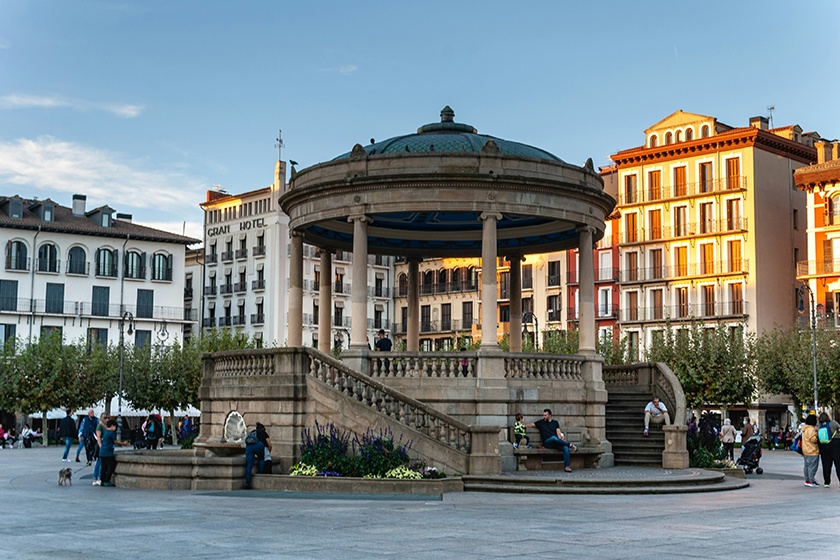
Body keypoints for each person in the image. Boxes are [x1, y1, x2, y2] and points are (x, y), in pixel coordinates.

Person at [99, 419, 130, 487]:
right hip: (108, 453)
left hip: (102, 452)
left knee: (104, 467)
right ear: (112, 426)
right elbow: (115, 441)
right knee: (111, 465)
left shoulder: (106, 432)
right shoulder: (111, 433)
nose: (115, 429)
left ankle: (102, 480)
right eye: (115, 427)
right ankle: (107, 480)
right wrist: (123, 443)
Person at [244, 422, 271, 488]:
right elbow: (269, 444)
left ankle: (247, 482)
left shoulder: (253, 432)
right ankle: (260, 476)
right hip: (259, 445)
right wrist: (269, 451)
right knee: (261, 459)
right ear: (263, 428)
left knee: (249, 464)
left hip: (249, 446)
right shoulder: (264, 433)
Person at [818, 412, 840, 488]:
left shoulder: (819, 426)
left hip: (823, 446)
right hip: (835, 444)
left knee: (826, 464)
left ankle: (826, 482)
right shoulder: (833, 423)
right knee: (838, 464)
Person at [802, 414, 820, 487]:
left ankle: (807, 480)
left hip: (805, 450)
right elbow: (813, 439)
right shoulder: (811, 429)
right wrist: (817, 434)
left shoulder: (805, 429)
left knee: (807, 466)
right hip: (812, 450)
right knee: (812, 467)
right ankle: (811, 480)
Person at [91, 413, 109, 486]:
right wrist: (101, 446)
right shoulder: (100, 426)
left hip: (105, 445)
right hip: (100, 446)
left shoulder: (106, 426)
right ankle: (97, 478)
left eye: (108, 418)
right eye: (105, 418)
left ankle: (97, 478)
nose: (107, 420)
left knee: (100, 462)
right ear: (102, 419)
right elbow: (98, 437)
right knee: (100, 462)